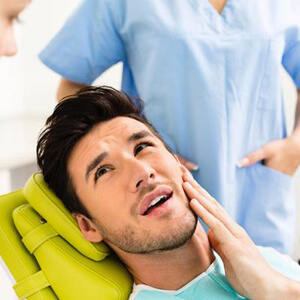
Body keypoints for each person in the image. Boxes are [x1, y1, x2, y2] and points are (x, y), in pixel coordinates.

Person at [38, 0, 300, 254]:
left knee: (271, 281)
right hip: (165, 193)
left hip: (259, 188)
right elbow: (70, 88)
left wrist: (294, 148)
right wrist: (140, 150)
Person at [37, 86, 300, 300]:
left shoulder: (264, 262)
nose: (141, 171)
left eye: (142, 147)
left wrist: (274, 286)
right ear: (88, 225)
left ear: (177, 163)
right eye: (103, 171)